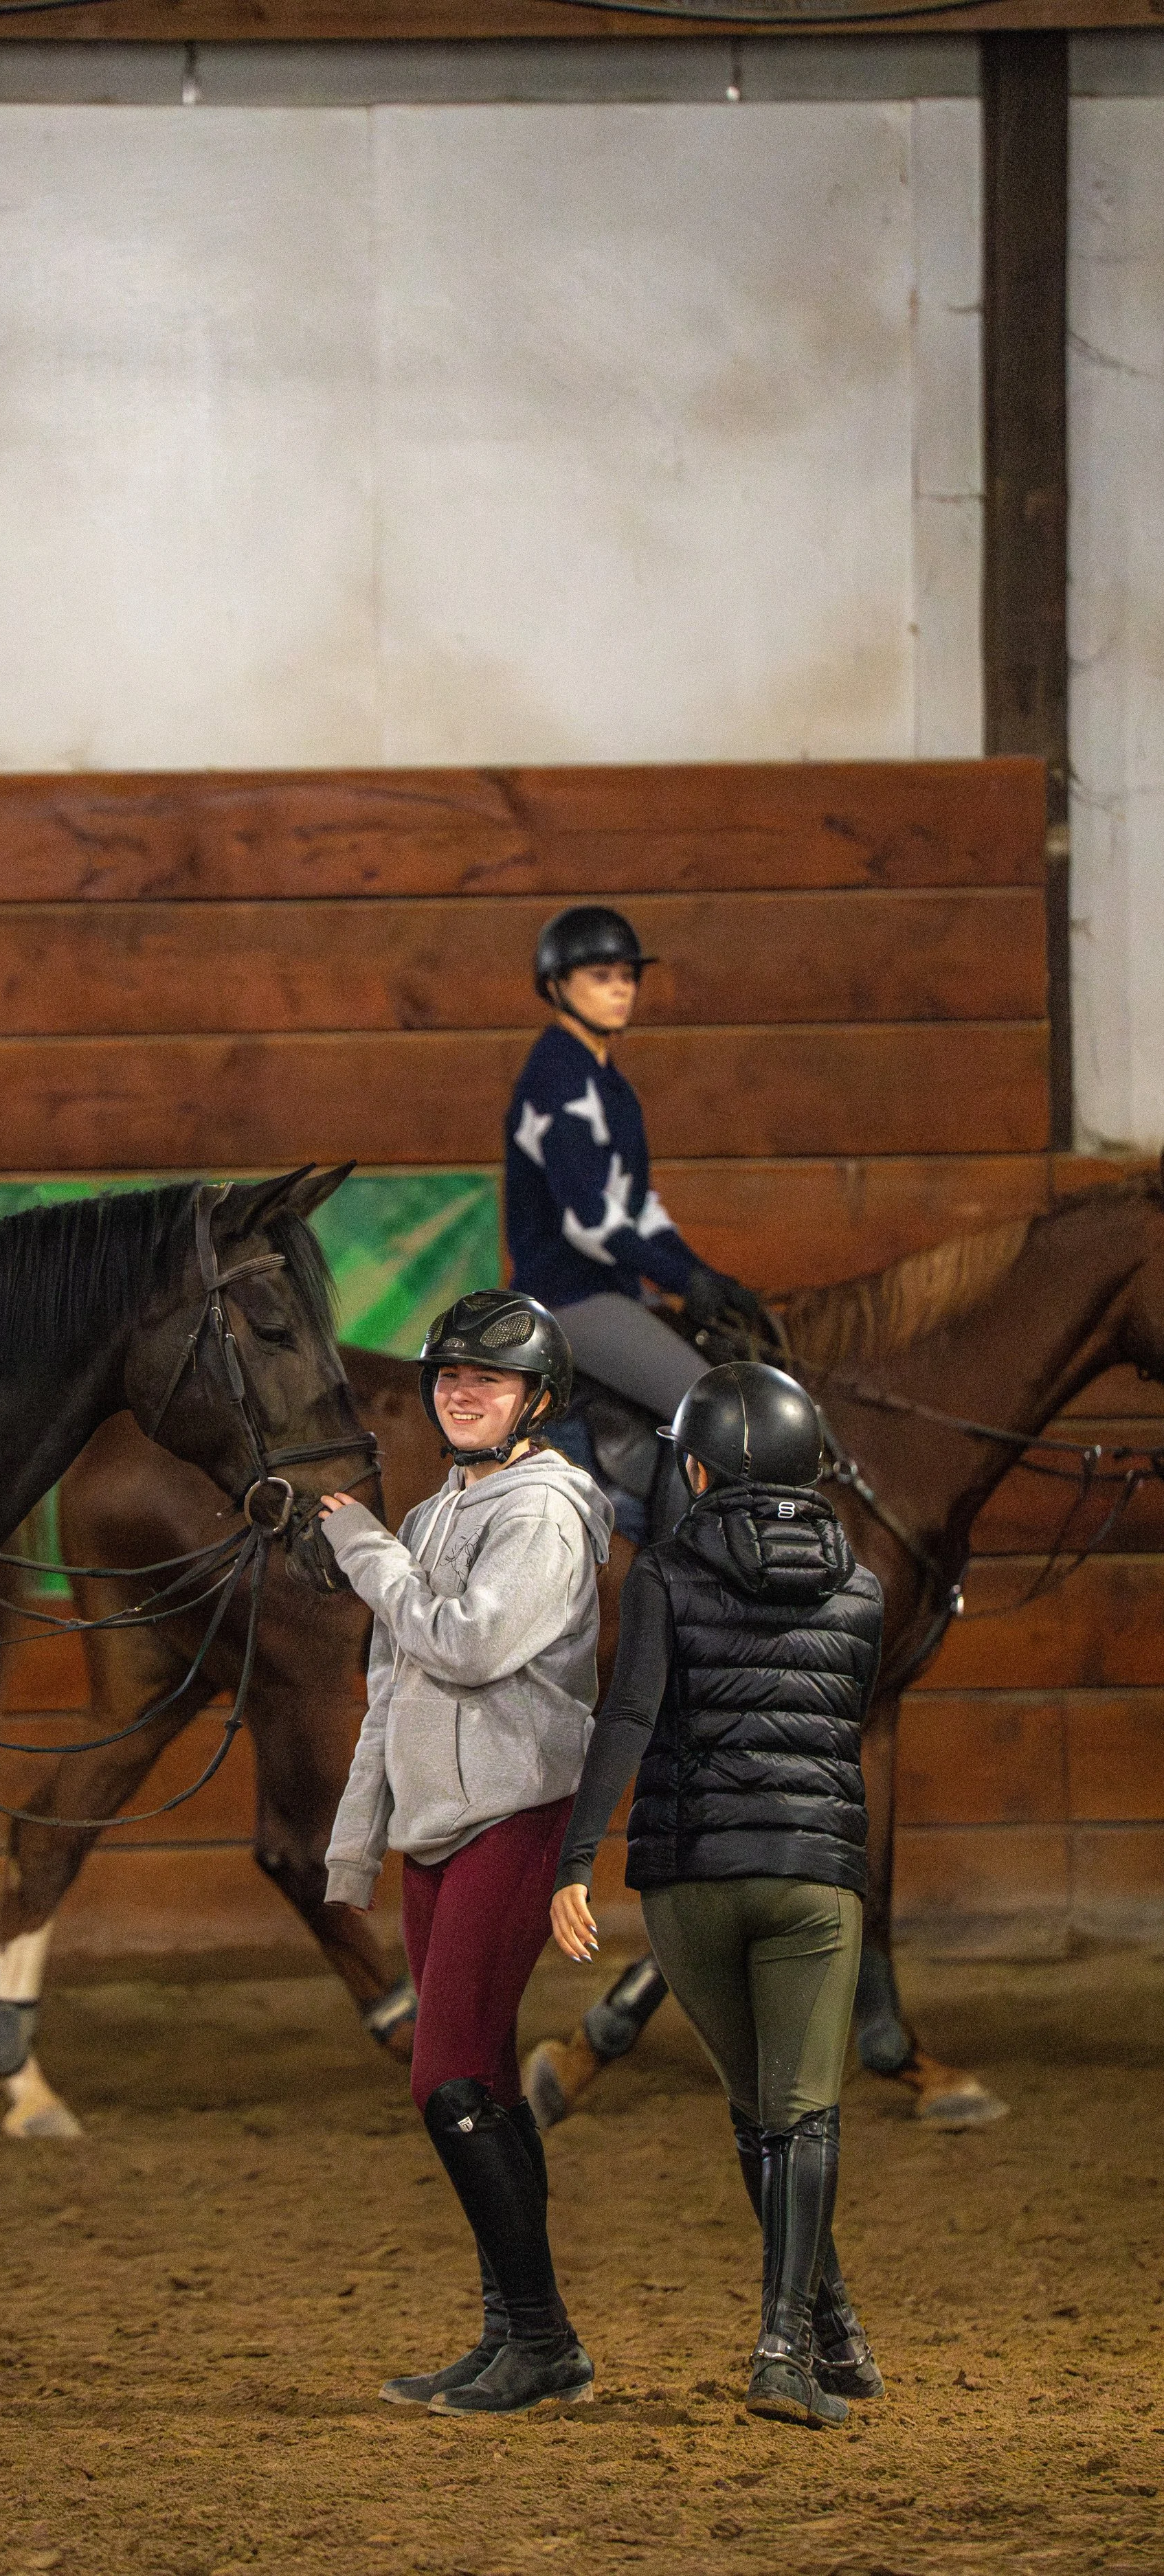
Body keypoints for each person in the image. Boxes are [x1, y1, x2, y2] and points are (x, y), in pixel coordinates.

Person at [550, 1361, 885, 2431]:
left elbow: (629, 1718)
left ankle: (831, 2326)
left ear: (693, 1466)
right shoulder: (866, 1589)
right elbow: (842, 1723)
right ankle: (791, 2344)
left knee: (756, 2113)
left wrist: (574, 1860)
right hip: (813, 1875)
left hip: (690, 1881)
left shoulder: (660, 1574)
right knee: (806, 2113)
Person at [317, 1291, 612, 2417]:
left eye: (483, 1382)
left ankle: (541, 2339)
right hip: (444, 1818)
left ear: (534, 1400)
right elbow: (395, 1688)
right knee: (476, 2077)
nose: (460, 1393)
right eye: (448, 1379)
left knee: (444, 2081)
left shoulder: (537, 1513)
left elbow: (468, 1642)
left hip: (513, 1811)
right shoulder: (453, 1504)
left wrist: (364, 1550)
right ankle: (517, 2337)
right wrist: (362, 1838)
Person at [506, 907, 770, 1521]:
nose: (622, 988)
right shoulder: (558, 1076)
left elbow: (640, 1213)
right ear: (556, 986)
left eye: (627, 975)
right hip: (571, 1297)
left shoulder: (609, 1086)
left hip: (616, 1289)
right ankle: (681, 1571)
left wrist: (709, 1279)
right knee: (709, 1409)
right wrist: (682, 1281)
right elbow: (590, 1222)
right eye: (602, 976)